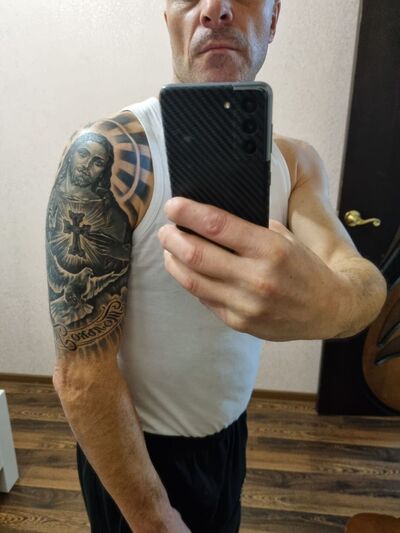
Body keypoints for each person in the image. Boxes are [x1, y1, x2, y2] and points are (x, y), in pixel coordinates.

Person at [46, 1, 387, 532]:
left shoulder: (296, 163)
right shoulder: (109, 156)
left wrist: (334, 307)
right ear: (169, 21)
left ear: (274, 19)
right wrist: (155, 520)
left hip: (229, 434)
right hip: (131, 450)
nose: (215, 9)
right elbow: (80, 375)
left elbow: (361, 278)